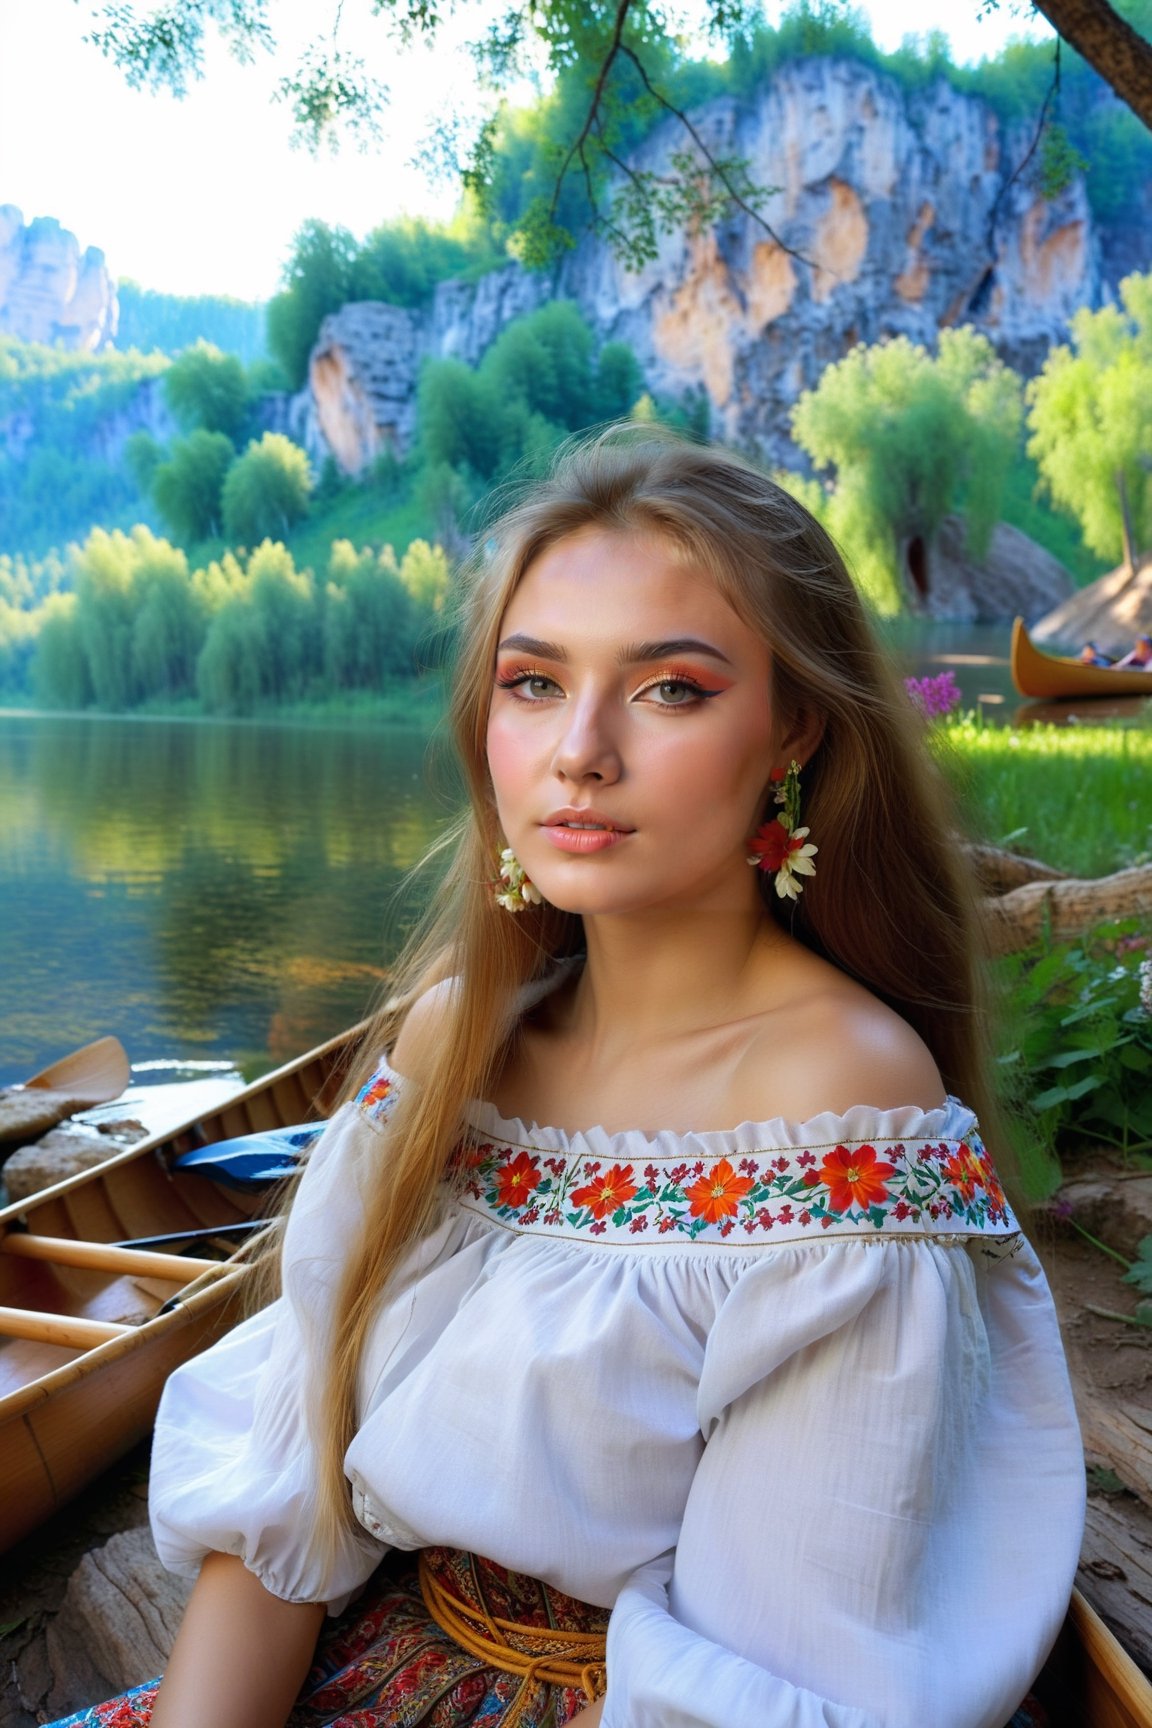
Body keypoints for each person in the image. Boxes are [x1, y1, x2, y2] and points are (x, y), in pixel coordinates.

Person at [54, 429, 1084, 1728]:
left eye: (670, 691)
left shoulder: (840, 1105)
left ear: (794, 732)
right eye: (534, 683)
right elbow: (289, 1473)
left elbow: (779, 1676)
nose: (579, 752)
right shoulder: (452, 1040)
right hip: (361, 1671)